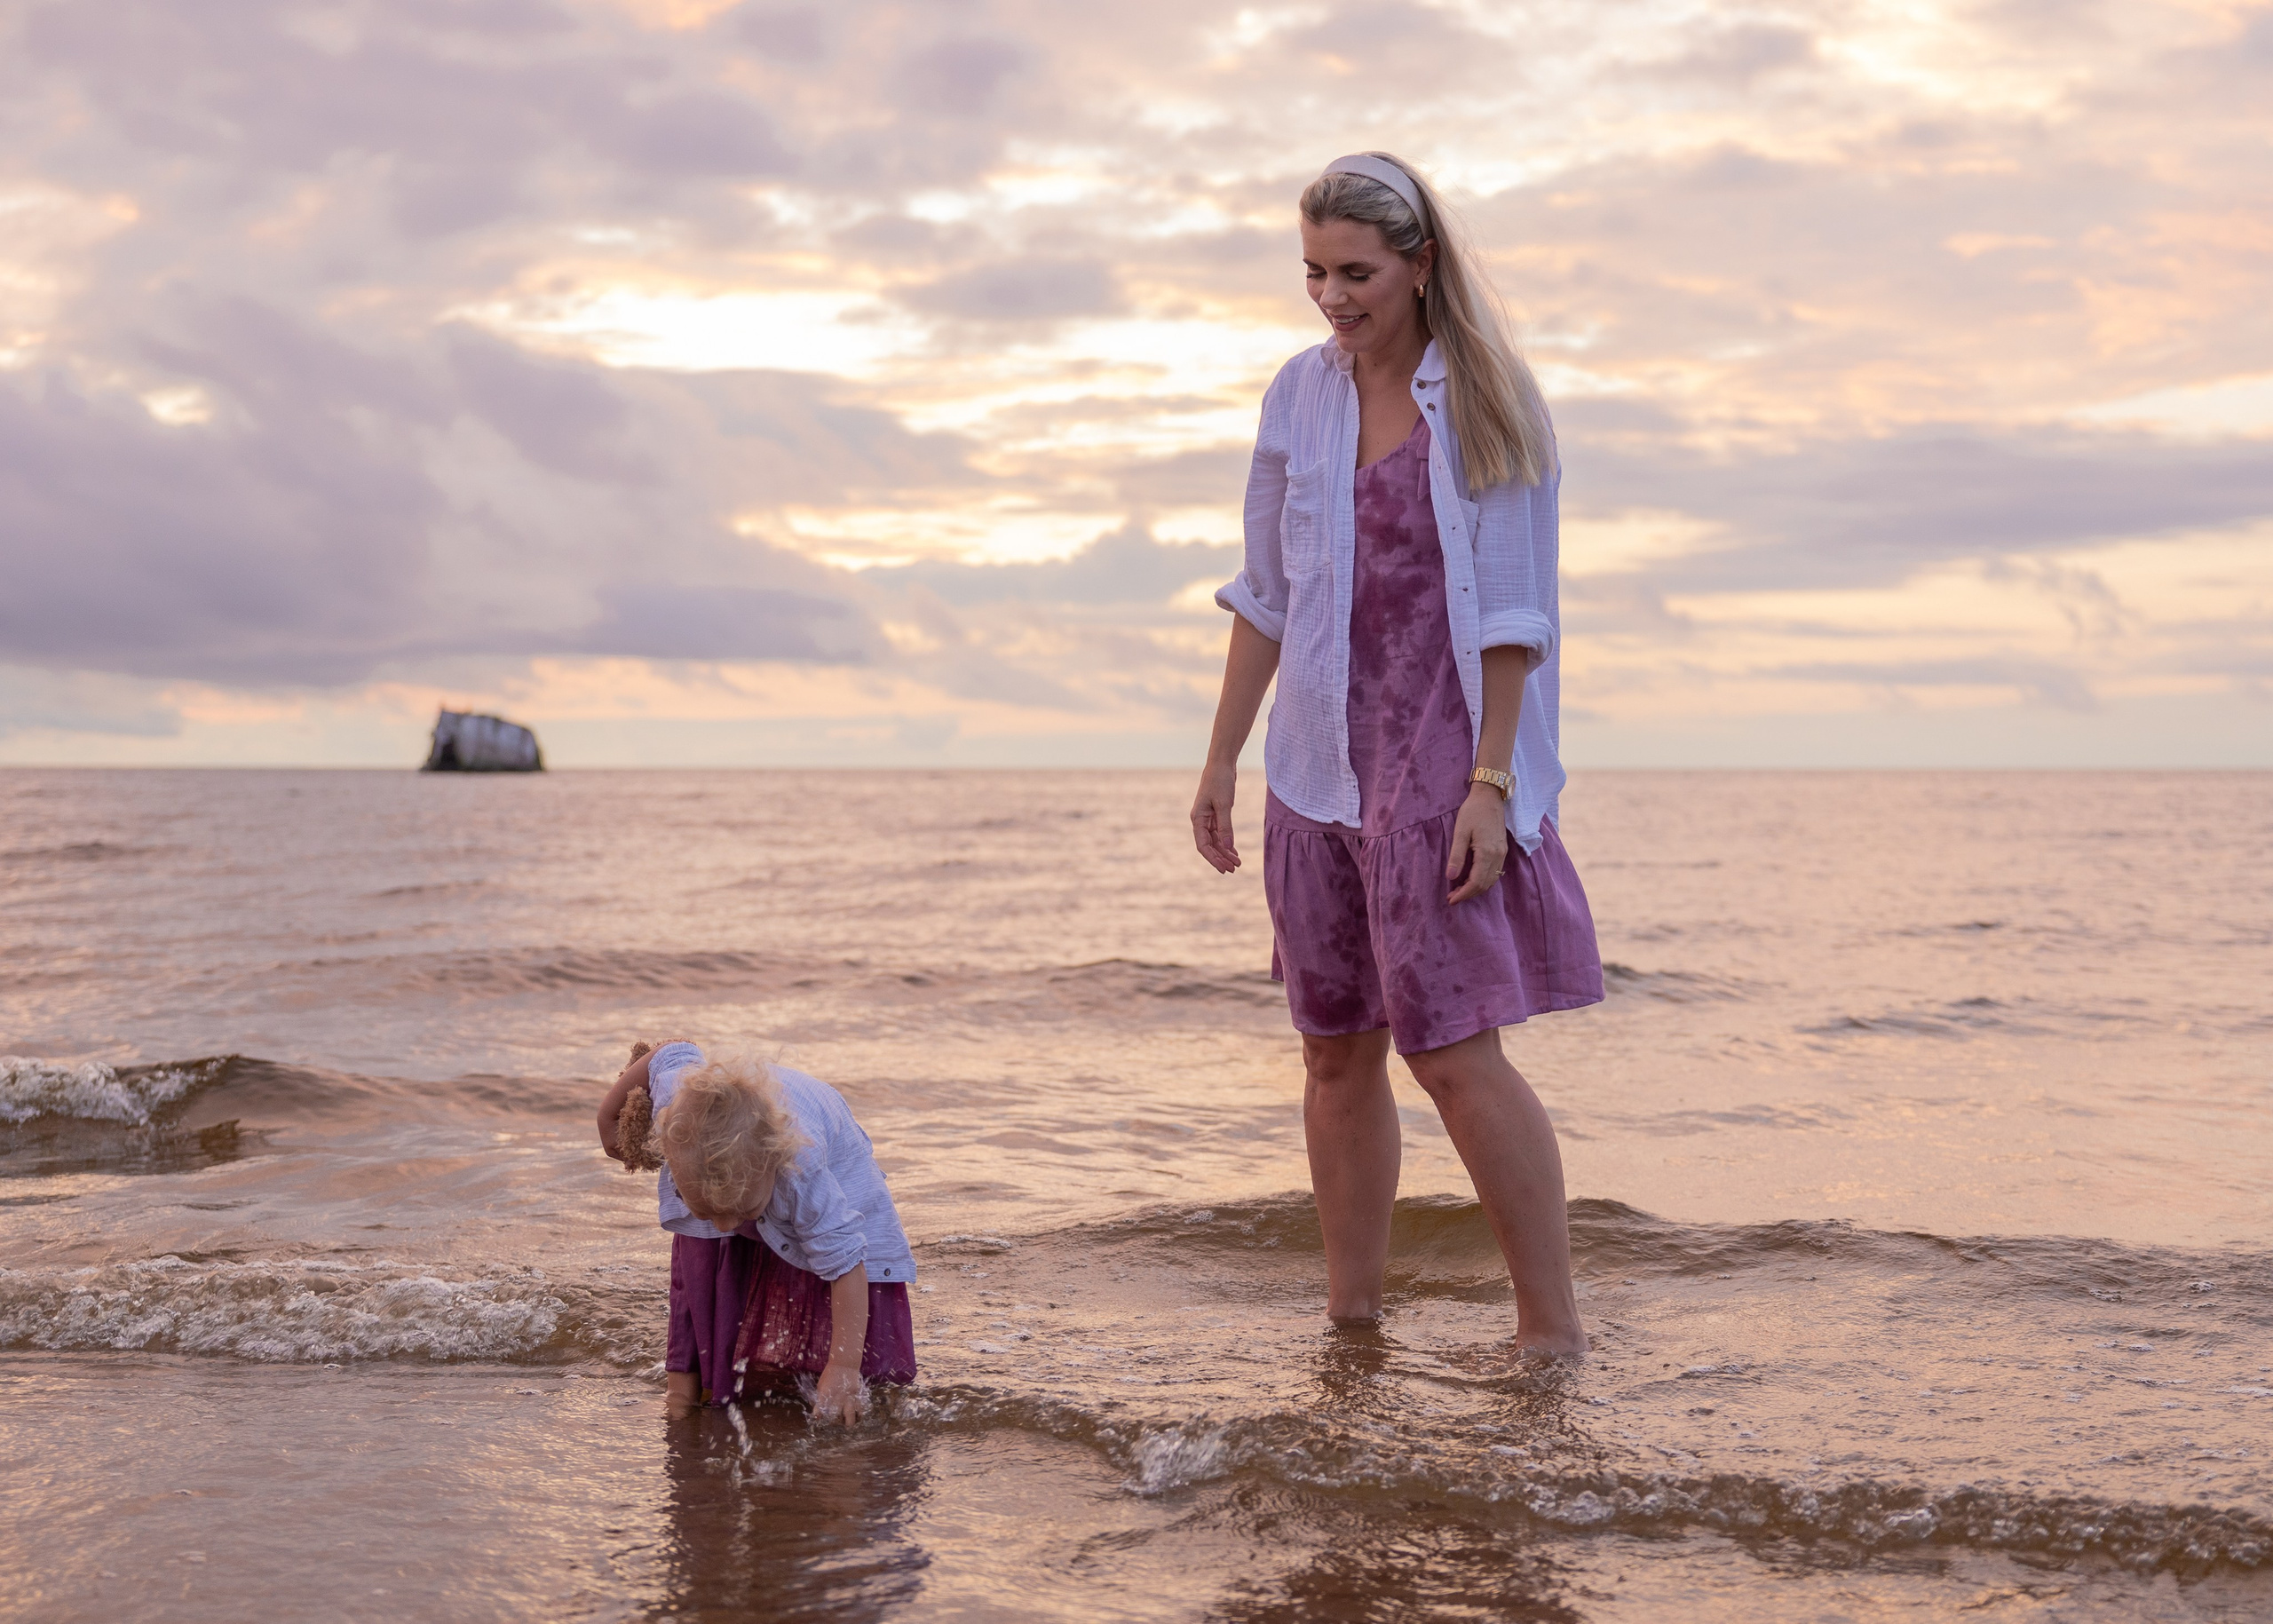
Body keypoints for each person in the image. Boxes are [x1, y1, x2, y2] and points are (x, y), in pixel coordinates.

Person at [1191, 152, 1604, 1356]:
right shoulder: (1296, 398)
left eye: (1356, 272)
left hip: (1439, 764)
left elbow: (1517, 612)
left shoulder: (1487, 399)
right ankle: (1352, 1324)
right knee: (1332, 1052)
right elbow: (1266, 592)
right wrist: (1222, 760)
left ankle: (1550, 1333)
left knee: (1454, 1053)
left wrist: (1490, 781)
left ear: (1420, 264)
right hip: (1315, 767)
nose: (1331, 296)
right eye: (1313, 271)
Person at [596, 1041, 918, 1419]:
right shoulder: (678, 1098)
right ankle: (688, 1385)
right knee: (705, 1243)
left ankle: (829, 1383)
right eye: (706, 1209)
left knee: (821, 1249)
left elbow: (847, 1264)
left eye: (742, 1210)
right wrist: (606, 1121)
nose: (726, 1225)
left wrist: (844, 1367)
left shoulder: (801, 1172)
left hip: (818, 1149)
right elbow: (670, 1051)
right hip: (721, 1140)